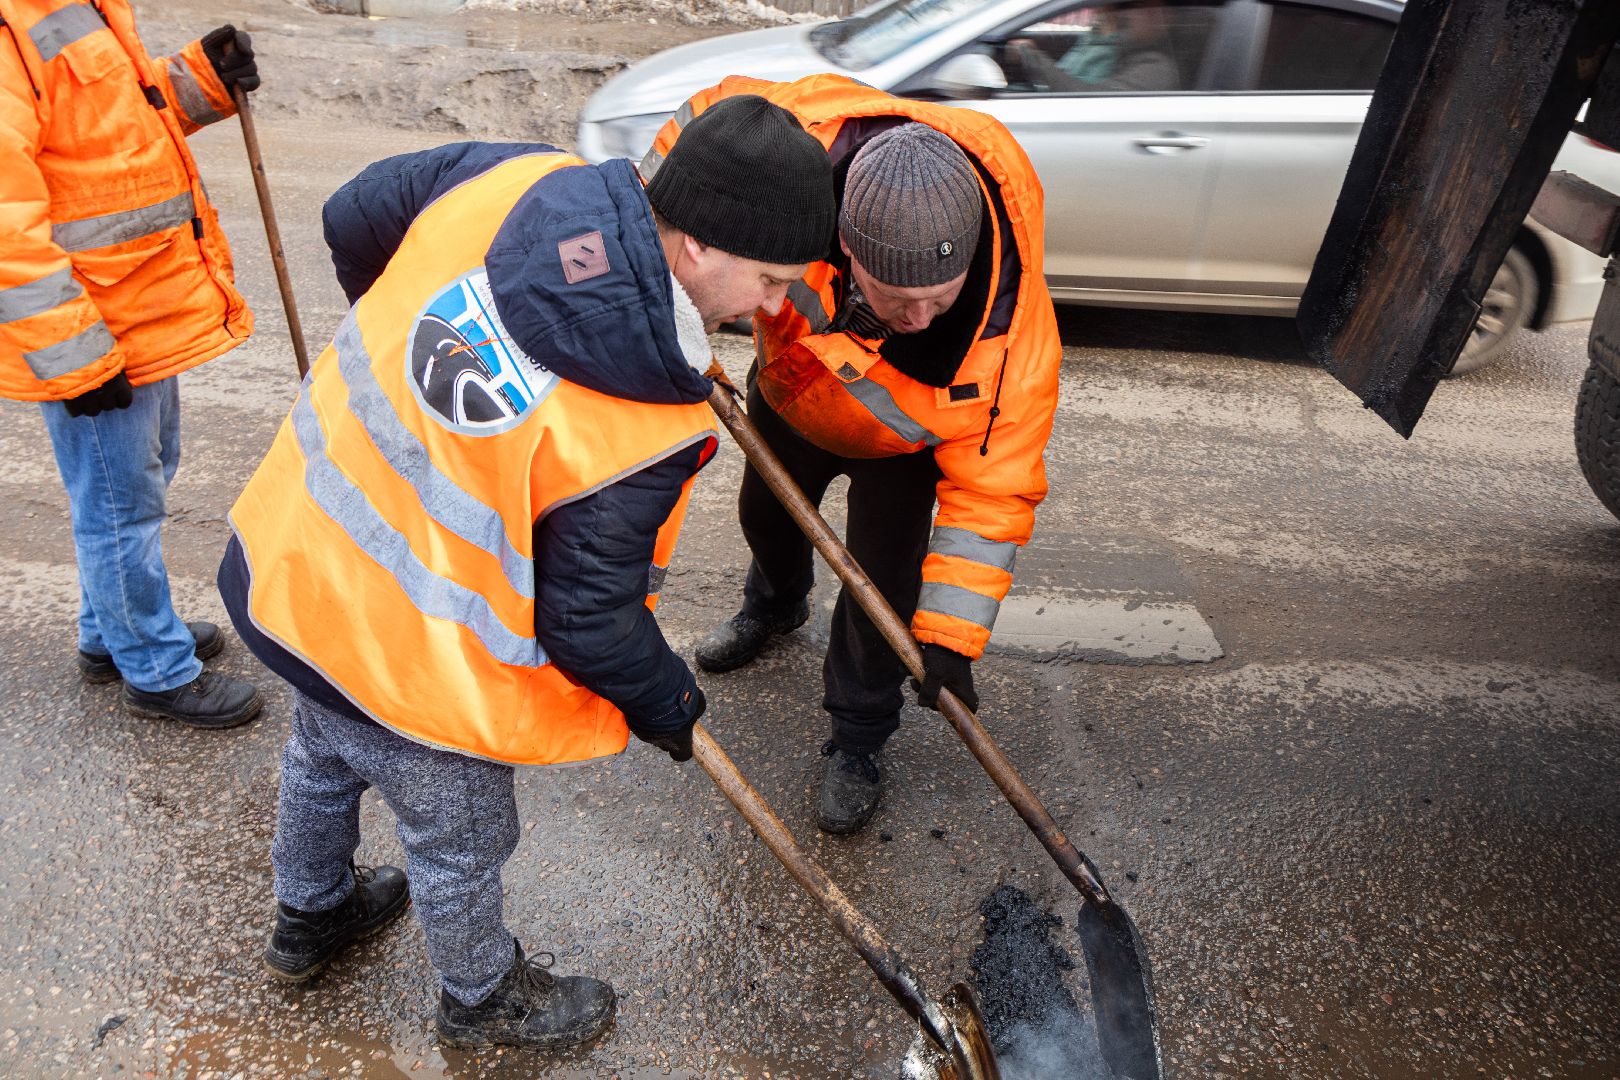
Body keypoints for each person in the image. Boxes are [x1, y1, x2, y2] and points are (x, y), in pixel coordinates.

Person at [217, 96, 835, 1051]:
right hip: (419, 656)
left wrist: (407, 344)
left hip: (306, 564)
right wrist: (665, 702)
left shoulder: (519, 179)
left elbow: (353, 215)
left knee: (322, 754)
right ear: (703, 247)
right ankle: (479, 998)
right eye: (769, 278)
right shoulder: (640, 424)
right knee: (456, 838)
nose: (774, 307)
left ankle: (311, 915)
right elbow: (591, 622)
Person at [653, 76, 1062, 836]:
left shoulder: (1013, 334)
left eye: (941, 299)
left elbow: (995, 493)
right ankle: (774, 606)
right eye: (897, 297)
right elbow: (689, 143)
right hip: (790, 390)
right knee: (766, 521)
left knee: (882, 592)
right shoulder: (790, 162)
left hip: (902, 444)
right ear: (842, 243)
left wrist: (948, 638)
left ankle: (858, 738)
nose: (918, 319)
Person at [0, 4, 263, 728]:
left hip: (139, 303)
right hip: (96, 324)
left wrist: (203, 79)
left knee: (140, 481)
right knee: (120, 510)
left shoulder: (77, 5)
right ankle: (153, 667)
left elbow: (117, 130)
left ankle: (108, 635)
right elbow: (6, 221)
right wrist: (75, 355)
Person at [1010, 1, 1180, 93]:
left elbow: (1085, 98)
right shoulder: (1101, 40)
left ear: (1164, 17)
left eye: (1135, 6)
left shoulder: (1155, 67)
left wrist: (1031, 56)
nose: (1125, 14)